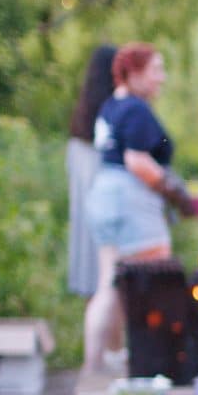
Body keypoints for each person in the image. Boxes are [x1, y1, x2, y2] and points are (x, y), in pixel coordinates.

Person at [83, 42, 182, 378]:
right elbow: (136, 160)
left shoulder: (111, 106)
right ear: (134, 73)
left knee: (110, 284)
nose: (162, 78)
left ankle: (95, 363)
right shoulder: (137, 110)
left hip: (103, 194)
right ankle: (153, 360)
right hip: (130, 199)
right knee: (152, 281)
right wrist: (174, 192)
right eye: (156, 70)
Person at [64, 44, 116, 298]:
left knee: (93, 293)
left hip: (84, 220)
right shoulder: (111, 122)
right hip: (106, 221)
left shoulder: (79, 127)